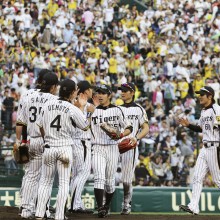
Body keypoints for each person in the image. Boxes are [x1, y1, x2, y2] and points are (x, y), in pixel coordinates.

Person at [35, 79, 90, 220]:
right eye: (75, 90)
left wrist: (47, 138)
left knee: (45, 182)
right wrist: (82, 108)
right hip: (64, 148)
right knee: (64, 183)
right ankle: (59, 215)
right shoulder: (72, 108)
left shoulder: (47, 105)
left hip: (49, 147)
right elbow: (85, 126)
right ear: (72, 92)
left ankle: (40, 214)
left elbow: (40, 126)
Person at [16, 71, 59, 219]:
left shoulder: (29, 97)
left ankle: (26, 210)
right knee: (46, 179)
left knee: (31, 176)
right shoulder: (54, 100)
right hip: (46, 141)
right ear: (53, 86)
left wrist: (22, 141)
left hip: (31, 139)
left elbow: (21, 122)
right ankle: (44, 210)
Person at [90, 84, 133, 218]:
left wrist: (120, 135)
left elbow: (129, 128)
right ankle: (100, 207)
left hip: (113, 147)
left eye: (103, 93)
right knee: (98, 178)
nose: (100, 95)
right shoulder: (92, 110)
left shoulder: (117, 110)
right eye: (98, 93)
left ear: (109, 95)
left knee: (109, 182)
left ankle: (106, 205)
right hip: (97, 147)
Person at [179, 86, 220, 215]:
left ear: (210, 96)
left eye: (202, 94)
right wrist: (188, 125)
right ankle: (193, 206)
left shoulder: (216, 109)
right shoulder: (203, 111)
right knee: (196, 177)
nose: (200, 96)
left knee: (218, 181)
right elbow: (200, 129)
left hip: (215, 147)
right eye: (199, 94)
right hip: (205, 148)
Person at [118, 83, 149, 215]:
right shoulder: (116, 108)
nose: (122, 93)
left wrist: (136, 137)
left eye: (125, 91)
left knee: (126, 180)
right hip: (115, 145)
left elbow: (146, 128)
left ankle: (126, 203)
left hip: (130, 145)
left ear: (132, 92)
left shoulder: (139, 109)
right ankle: (104, 205)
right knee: (106, 178)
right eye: (121, 90)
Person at [68, 80, 95, 214]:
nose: (92, 91)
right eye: (90, 89)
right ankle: (74, 204)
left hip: (76, 141)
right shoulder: (80, 104)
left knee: (77, 175)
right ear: (85, 91)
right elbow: (85, 123)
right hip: (81, 141)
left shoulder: (76, 102)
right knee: (84, 172)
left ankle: (75, 203)